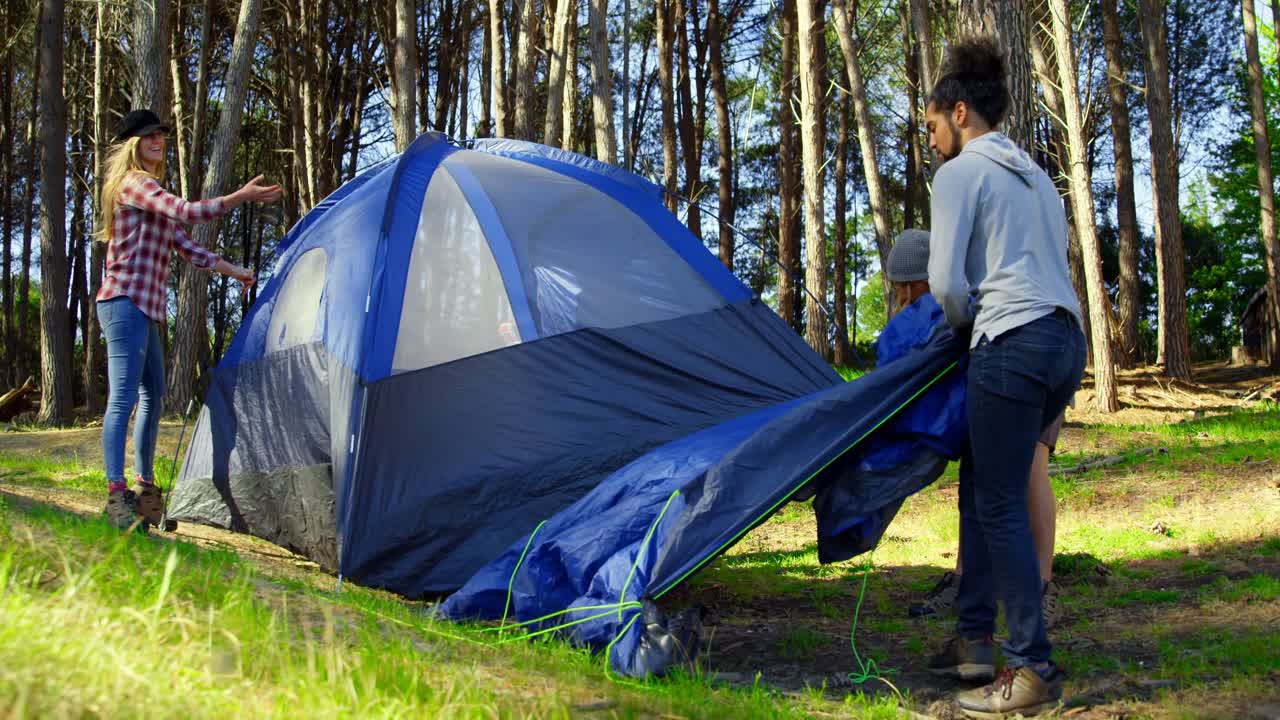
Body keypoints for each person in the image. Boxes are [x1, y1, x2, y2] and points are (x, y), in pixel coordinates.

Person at [921, 40, 1086, 719]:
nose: (931, 140)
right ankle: (974, 641)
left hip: (1011, 341)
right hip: (1065, 341)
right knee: (987, 482)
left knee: (999, 502)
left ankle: (1029, 666)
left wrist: (963, 326)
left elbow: (944, 282)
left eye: (933, 125)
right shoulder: (1037, 178)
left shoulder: (960, 174)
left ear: (960, 112)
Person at [96, 109, 281, 531]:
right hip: (123, 302)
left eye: (160, 134)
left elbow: (188, 248)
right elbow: (186, 211)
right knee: (123, 399)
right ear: (133, 145)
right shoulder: (135, 184)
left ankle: (144, 493)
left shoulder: (153, 194)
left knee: (153, 395)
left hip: (145, 308)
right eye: (148, 136)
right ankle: (115, 496)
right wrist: (239, 197)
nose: (157, 141)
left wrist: (236, 271)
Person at [887, 230, 1064, 630]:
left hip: (1040, 365)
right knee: (975, 474)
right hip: (994, 383)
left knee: (1030, 470)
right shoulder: (934, 308)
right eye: (900, 289)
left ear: (928, 279)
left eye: (910, 287)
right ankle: (964, 579)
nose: (905, 298)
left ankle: (1042, 586)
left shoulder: (973, 284)